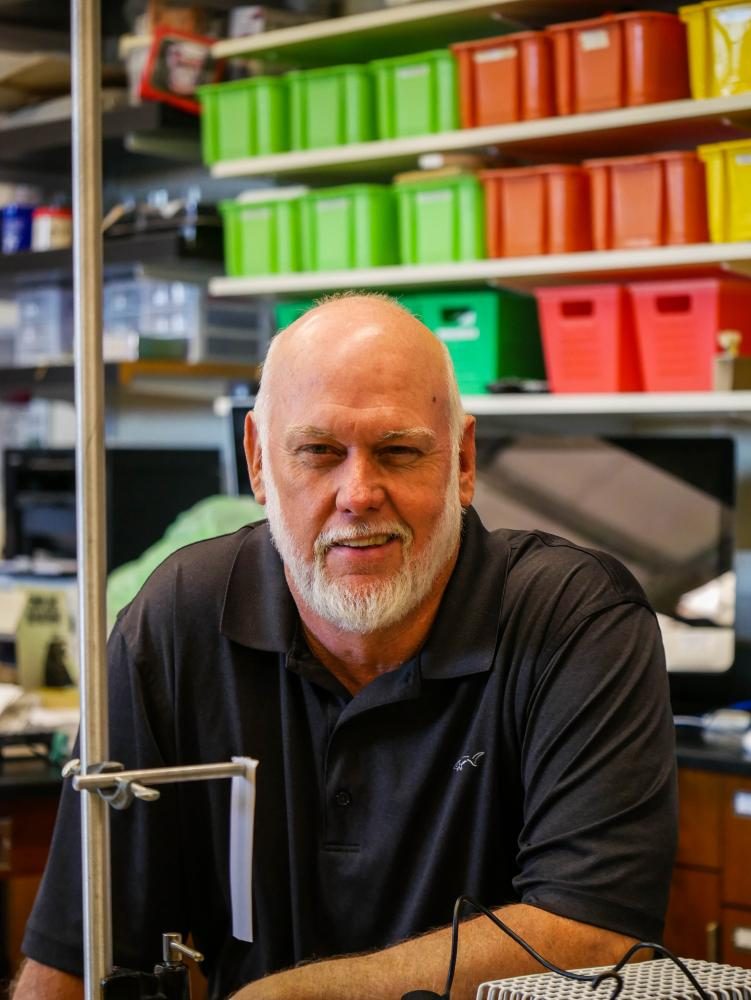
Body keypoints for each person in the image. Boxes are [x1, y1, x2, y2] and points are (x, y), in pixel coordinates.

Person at [15, 293, 677, 1000]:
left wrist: (283, 997)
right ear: (259, 463)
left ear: (460, 461)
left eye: (397, 450)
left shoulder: (572, 619)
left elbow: (595, 932)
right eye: (319, 452)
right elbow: (77, 946)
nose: (358, 493)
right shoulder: (179, 617)